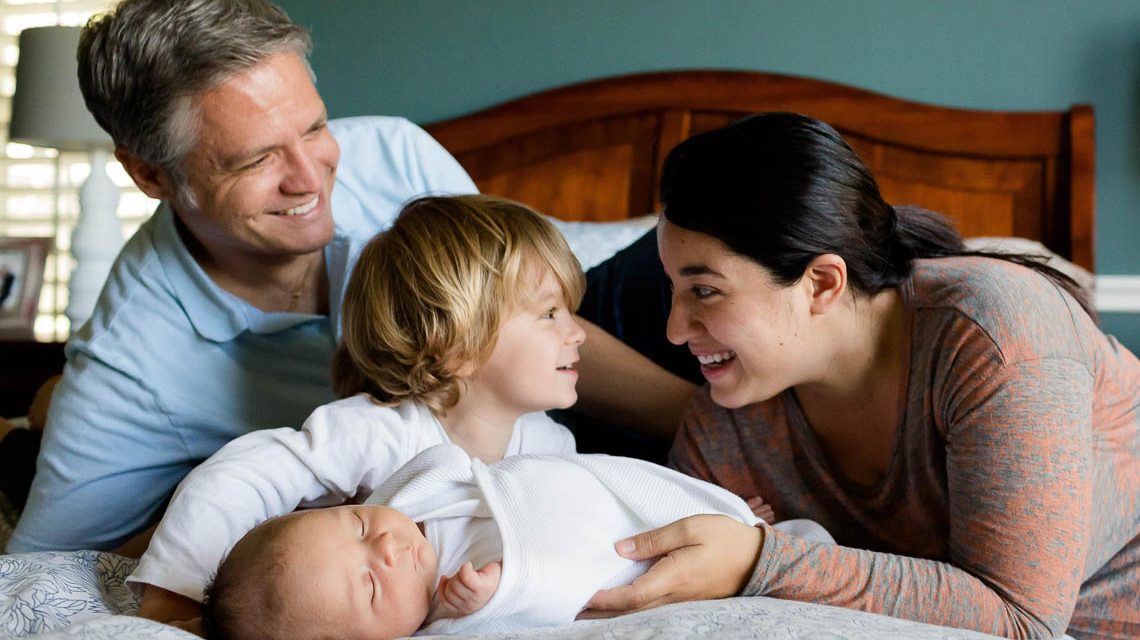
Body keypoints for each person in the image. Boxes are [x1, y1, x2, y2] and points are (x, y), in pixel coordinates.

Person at [6, 0, 693, 558]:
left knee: (696, 251)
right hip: (454, 467)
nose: (311, 179)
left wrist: (712, 422)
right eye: (255, 160)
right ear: (151, 174)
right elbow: (46, 570)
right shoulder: (131, 362)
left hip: (540, 395)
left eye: (315, 128)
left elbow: (523, 322)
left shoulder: (394, 155)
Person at [582, 113, 1140, 640]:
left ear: (822, 283)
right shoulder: (722, 429)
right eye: (673, 290)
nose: (675, 331)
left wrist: (759, 559)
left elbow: (1022, 620)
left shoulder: (994, 333)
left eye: (705, 291)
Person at [198, 443, 829, 640]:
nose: (388, 548)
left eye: (358, 526)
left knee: (795, 546)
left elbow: (457, 466)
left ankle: (763, 538)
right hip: (625, 566)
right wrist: (486, 598)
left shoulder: (418, 498)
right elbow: (545, 606)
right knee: (802, 573)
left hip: (622, 509)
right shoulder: (447, 611)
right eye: (369, 585)